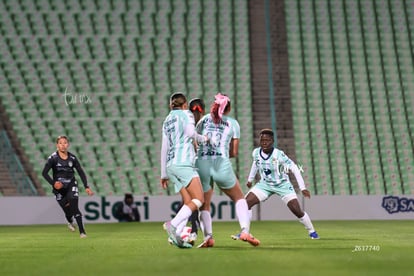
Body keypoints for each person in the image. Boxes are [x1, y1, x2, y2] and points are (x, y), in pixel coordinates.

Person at [195, 93, 260, 248]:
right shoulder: (233, 124)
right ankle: (245, 230)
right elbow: (234, 152)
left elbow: (194, 139)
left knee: (204, 204)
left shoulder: (204, 119)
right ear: (228, 109)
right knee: (239, 198)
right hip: (220, 162)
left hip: (201, 162)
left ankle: (208, 238)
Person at [232, 128, 319, 240]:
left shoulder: (279, 155)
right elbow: (256, 164)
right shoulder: (256, 152)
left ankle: (312, 231)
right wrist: (250, 179)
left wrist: (302, 188)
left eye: (267, 140)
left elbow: (294, 168)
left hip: (282, 185)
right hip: (265, 184)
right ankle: (245, 232)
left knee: (297, 210)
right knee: (245, 203)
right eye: (262, 140)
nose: (264, 142)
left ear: (272, 141)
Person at [161, 92, 207, 249]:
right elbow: (190, 133)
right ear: (185, 104)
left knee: (188, 202)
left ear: (171, 105)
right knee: (199, 199)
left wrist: (163, 173)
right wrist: (203, 138)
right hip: (183, 163)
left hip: (171, 165)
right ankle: (173, 225)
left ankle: (177, 235)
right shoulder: (186, 114)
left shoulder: (167, 120)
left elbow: (164, 147)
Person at [42, 135, 94, 238]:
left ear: (68, 144)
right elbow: (44, 173)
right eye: (60, 143)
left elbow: (80, 172)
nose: (63, 145)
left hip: (71, 184)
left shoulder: (72, 158)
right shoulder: (53, 158)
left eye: (65, 143)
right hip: (59, 189)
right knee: (68, 211)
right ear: (57, 145)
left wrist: (86, 186)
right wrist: (54, 183)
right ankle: (69, 221)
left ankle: (82, 232)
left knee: (74, 207)